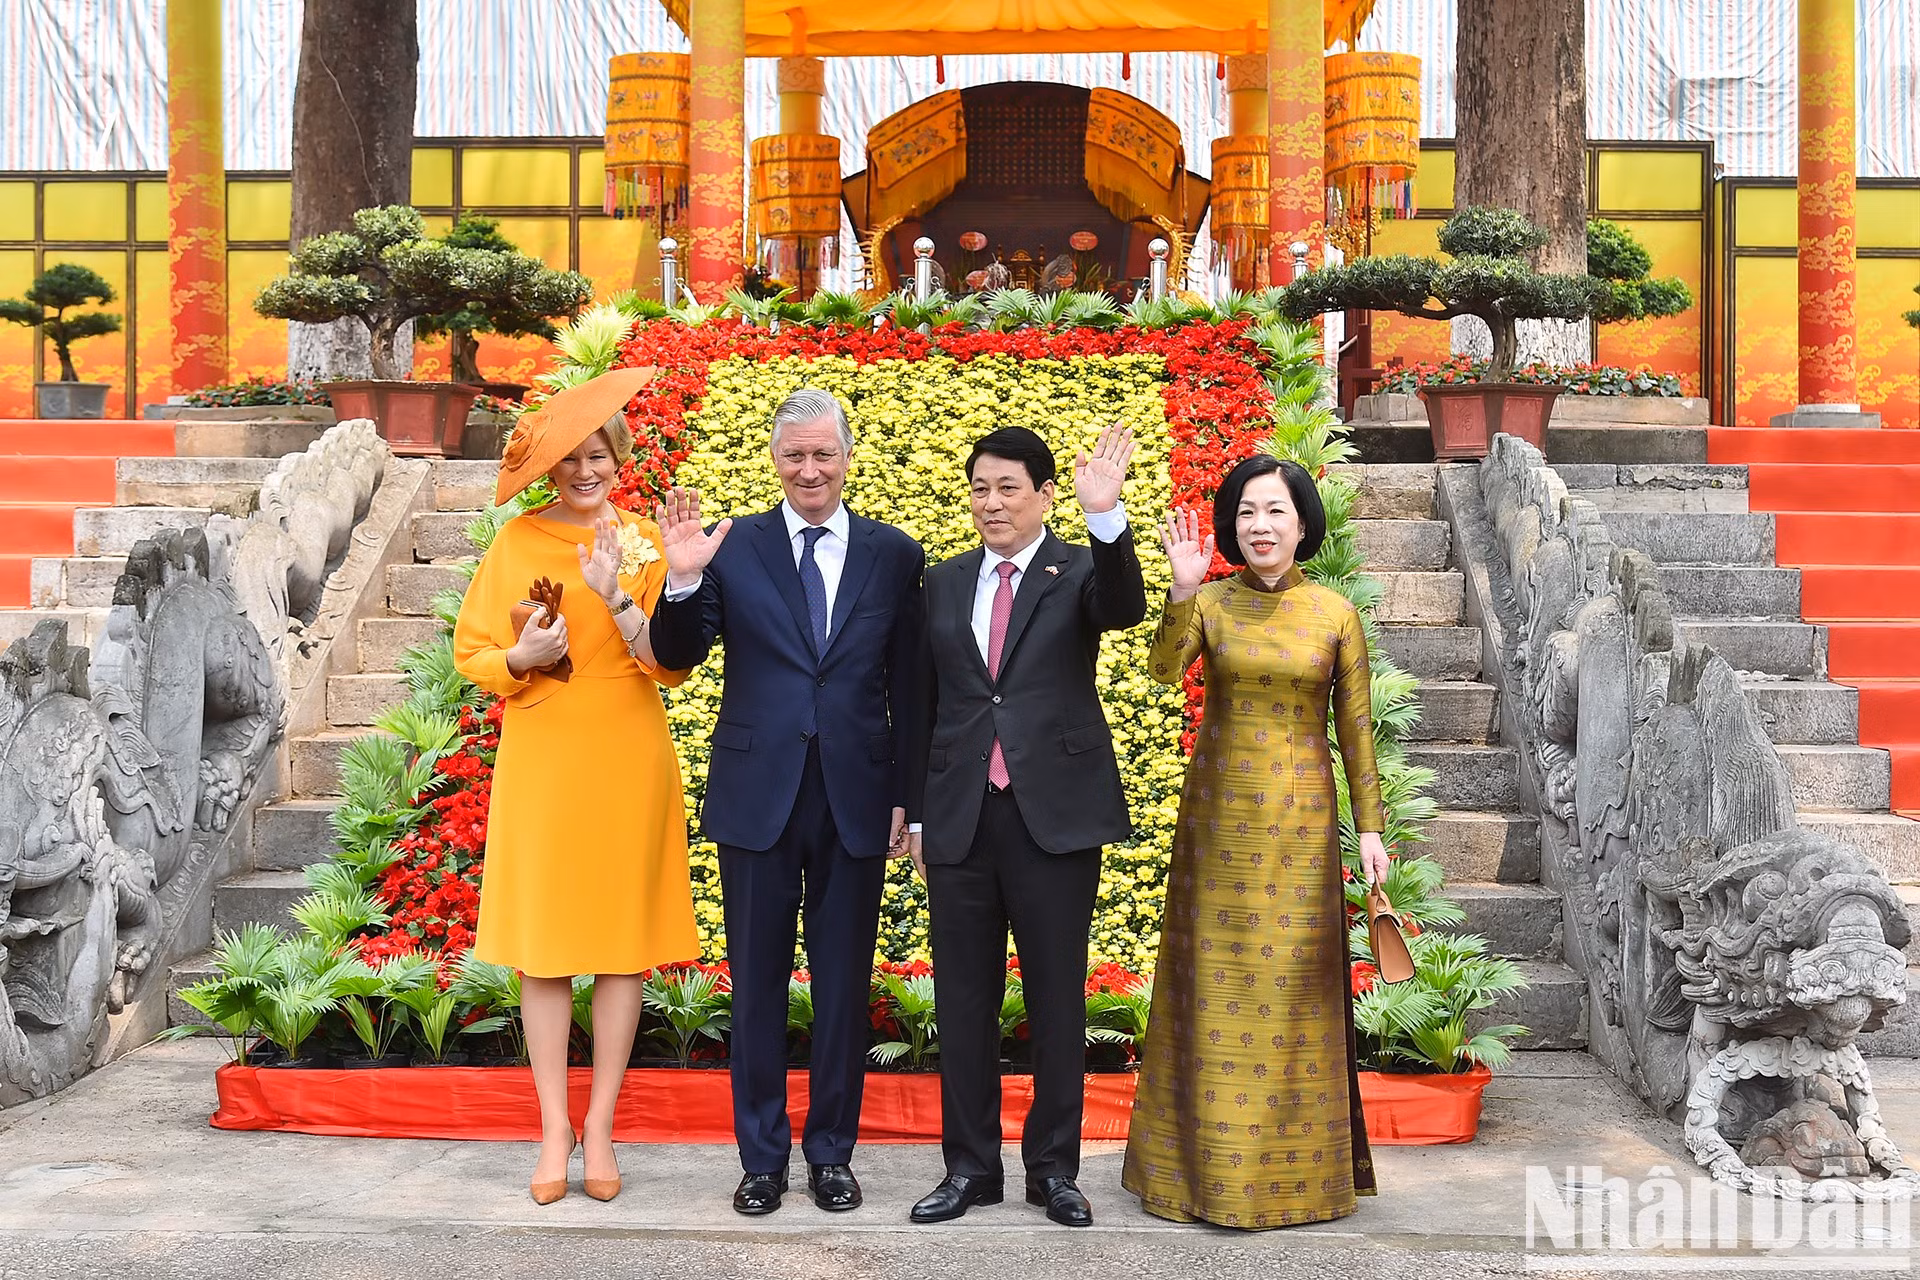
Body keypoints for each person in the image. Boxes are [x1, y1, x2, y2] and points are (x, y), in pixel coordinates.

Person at [648, 388, 925, 1217]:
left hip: (858, 797)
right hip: (757, 793)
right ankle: (761, 1158)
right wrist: (683, 580)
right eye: (794, 455)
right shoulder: (733, 548)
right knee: (758, 982)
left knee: (843, 984)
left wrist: (908, 797)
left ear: (847, 457)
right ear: (776, 459)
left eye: (823, 454)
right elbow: (677, 653)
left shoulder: (893, 554)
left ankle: (833, 1154)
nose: (810, 470)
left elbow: (910, 685)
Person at [1120, 453, 1393, 1230]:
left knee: (1297, 994)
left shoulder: (1335, 614)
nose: (1259, 526)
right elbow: (1162, 674)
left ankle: (1298, 1181)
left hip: (1303, 830)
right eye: (1245, 512)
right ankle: (1193, 1177)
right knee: (1211, 988)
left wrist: (1369, 830)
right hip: (1216, 828)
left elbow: (1357, 731)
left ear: (1303, 522)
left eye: (1274, 511)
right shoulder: (1209, 601)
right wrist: (1178, 591)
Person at [452, 365, 700, 1206]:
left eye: (598, 454)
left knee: (622, 946)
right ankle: (553, 1123)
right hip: (545, 752)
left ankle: (601, 1122)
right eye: (569, 461)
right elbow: (473, 653)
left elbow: (670, 666)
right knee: (548, 946)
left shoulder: (641, 543)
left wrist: (616, 598)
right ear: (550, 470)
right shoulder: (517, 541)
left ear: (617, 456)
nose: (585, 471)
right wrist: (518, 660)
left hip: (628, 747)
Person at [905, 424, 1147, 1229]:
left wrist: (1104, 519)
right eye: (980, 487)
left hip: (1055, 817)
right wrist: (913, 814)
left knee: (1055, 999)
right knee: (963, 999)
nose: (991, 502)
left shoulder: (1076, 568)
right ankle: (969, 1169)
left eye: (1009, 487)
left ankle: (1054, 1170)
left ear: (1045, 495)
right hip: (961, 819)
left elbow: (1122, 608)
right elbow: (924, 707)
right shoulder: (941, 583)